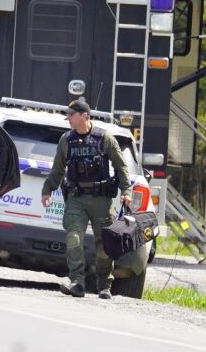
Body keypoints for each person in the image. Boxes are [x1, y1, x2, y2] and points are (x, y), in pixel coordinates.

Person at [41, 99, 132, 299]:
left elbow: (121, 166)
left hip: (101, 200)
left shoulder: (104, 138)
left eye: (72, 115)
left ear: (85, 116)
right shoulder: (66, 140)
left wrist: (127, 191)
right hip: (76, 198)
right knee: (74, 237)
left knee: (104, 245)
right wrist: (47, 190)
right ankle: (77, 282)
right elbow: (57, 170)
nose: (68, 119)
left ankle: (103, 284)